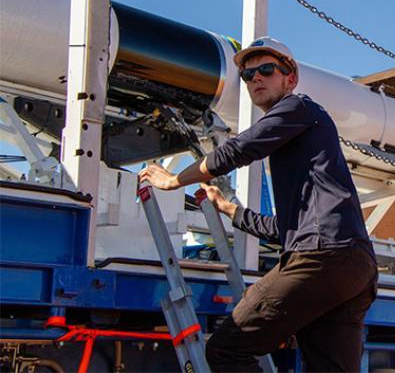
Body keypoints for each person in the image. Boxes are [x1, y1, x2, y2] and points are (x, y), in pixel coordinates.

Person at [138, 37, 377, 372]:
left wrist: (173, 180)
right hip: (353, 265)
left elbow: (237, 150)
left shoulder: (299, 108)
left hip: (322, 258)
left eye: (266, 70)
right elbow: (286, 229)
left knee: (226, 349)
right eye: (248, 76)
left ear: (290, 79)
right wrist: (228, 208)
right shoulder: (306, 141)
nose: (256, 79)